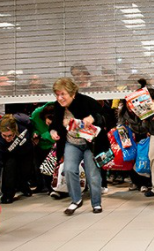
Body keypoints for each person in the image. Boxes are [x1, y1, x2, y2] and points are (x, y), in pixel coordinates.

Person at [49, 78, 107, 215]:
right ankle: (75, 200)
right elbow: (54, 124)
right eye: (57, 95)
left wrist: (92, 118)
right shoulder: (57, 106)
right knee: (69, 170)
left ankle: (96, 203)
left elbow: (105, 117)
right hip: (71, 142)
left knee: (92, 174)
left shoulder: (86, 101)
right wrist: (53, 132)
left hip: (90, 144)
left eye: (63, 94)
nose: (60, 98)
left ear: (72, 93)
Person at [0, 114, 34, 204]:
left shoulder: (23, 127)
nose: (7, 138)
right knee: (10, 167)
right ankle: (7, 195)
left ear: (15, 131)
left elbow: (32, 127)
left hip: (25, 151)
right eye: (4, 135)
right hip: (9, 154)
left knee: (26, 170)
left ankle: (23, 185)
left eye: (10, 135)